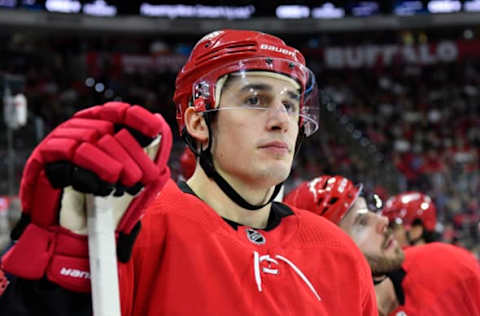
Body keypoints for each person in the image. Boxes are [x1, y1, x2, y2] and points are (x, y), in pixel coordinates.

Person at [0, 30, 377, 315]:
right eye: (254, 99)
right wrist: (51, 290)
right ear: (199, 121)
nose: (282, 120)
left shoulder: (340, 254)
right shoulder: (135, 226)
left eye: (291, 104)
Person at [285, 175, 480, 316]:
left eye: (371, 210)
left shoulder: (447, 265)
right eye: (360, 223)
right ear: (323, 258)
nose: (383, 221)